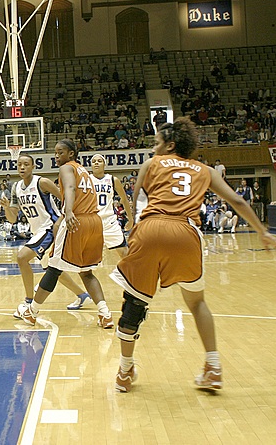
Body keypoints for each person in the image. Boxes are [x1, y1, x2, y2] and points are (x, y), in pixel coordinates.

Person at [109, 117, 276, 393]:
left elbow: (136, 201)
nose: (153, 149)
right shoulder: (206, 170)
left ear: (170, 145)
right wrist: (262, 231)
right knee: (197, 303)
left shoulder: (151, 164)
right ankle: (213, 367)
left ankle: (125, 371)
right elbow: (236, 201)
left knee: (134, 304)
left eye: (156, 144)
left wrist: (133, 231)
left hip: (150, 229)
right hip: (186, 233)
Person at [21, 139, 115, 329]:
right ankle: (105, 314)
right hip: (94, 222)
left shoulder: (67, 168)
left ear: (71, 154)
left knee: (54, 268)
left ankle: (32, 312)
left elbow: (70, 188)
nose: (57, 156)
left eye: (60, 152)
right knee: (86, 272)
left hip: (76, 220)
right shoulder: (84, 171)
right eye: (55, 153)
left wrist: (69, 211)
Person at [2, 153, 89, 318]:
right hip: (37, 231)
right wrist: (7, 208)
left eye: (26, 164)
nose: (22, 167)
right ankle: (82, 295)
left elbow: (66, 198)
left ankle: (28, 302)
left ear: (33, 167)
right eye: (19, 164)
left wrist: (63, 218)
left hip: (51, 227)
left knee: (22, 258)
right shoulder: (16, 188)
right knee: (52, 269)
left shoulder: (42, 182)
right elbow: (12, 219)